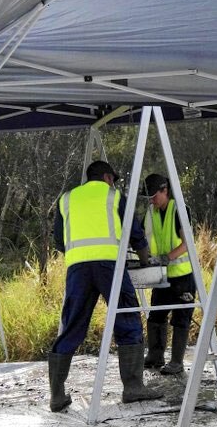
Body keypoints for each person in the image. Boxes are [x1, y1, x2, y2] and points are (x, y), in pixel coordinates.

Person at [47, 161, 161, 412]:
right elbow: (135, 233)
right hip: (110, 267)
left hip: (77, 268)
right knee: (127, 316)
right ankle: (133, 388)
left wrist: (82, 253)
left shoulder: (66, 199)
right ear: (108, 177)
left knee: (72, 325)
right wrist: (145, 260)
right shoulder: (115, 196)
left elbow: (59, 239)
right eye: (114, 180)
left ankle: (57, 395)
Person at [141, 173, 197, 376]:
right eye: (149, 198)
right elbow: (141, 238)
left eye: (154, 196)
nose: (152, 201)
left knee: (181, 318)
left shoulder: (179, 210)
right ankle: (155, 356)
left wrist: (168, 257)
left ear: (165, 191)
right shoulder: (151, 212)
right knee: (156, 315)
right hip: (161, 276)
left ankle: (176, 362)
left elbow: (187, 244)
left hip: (183, 276)